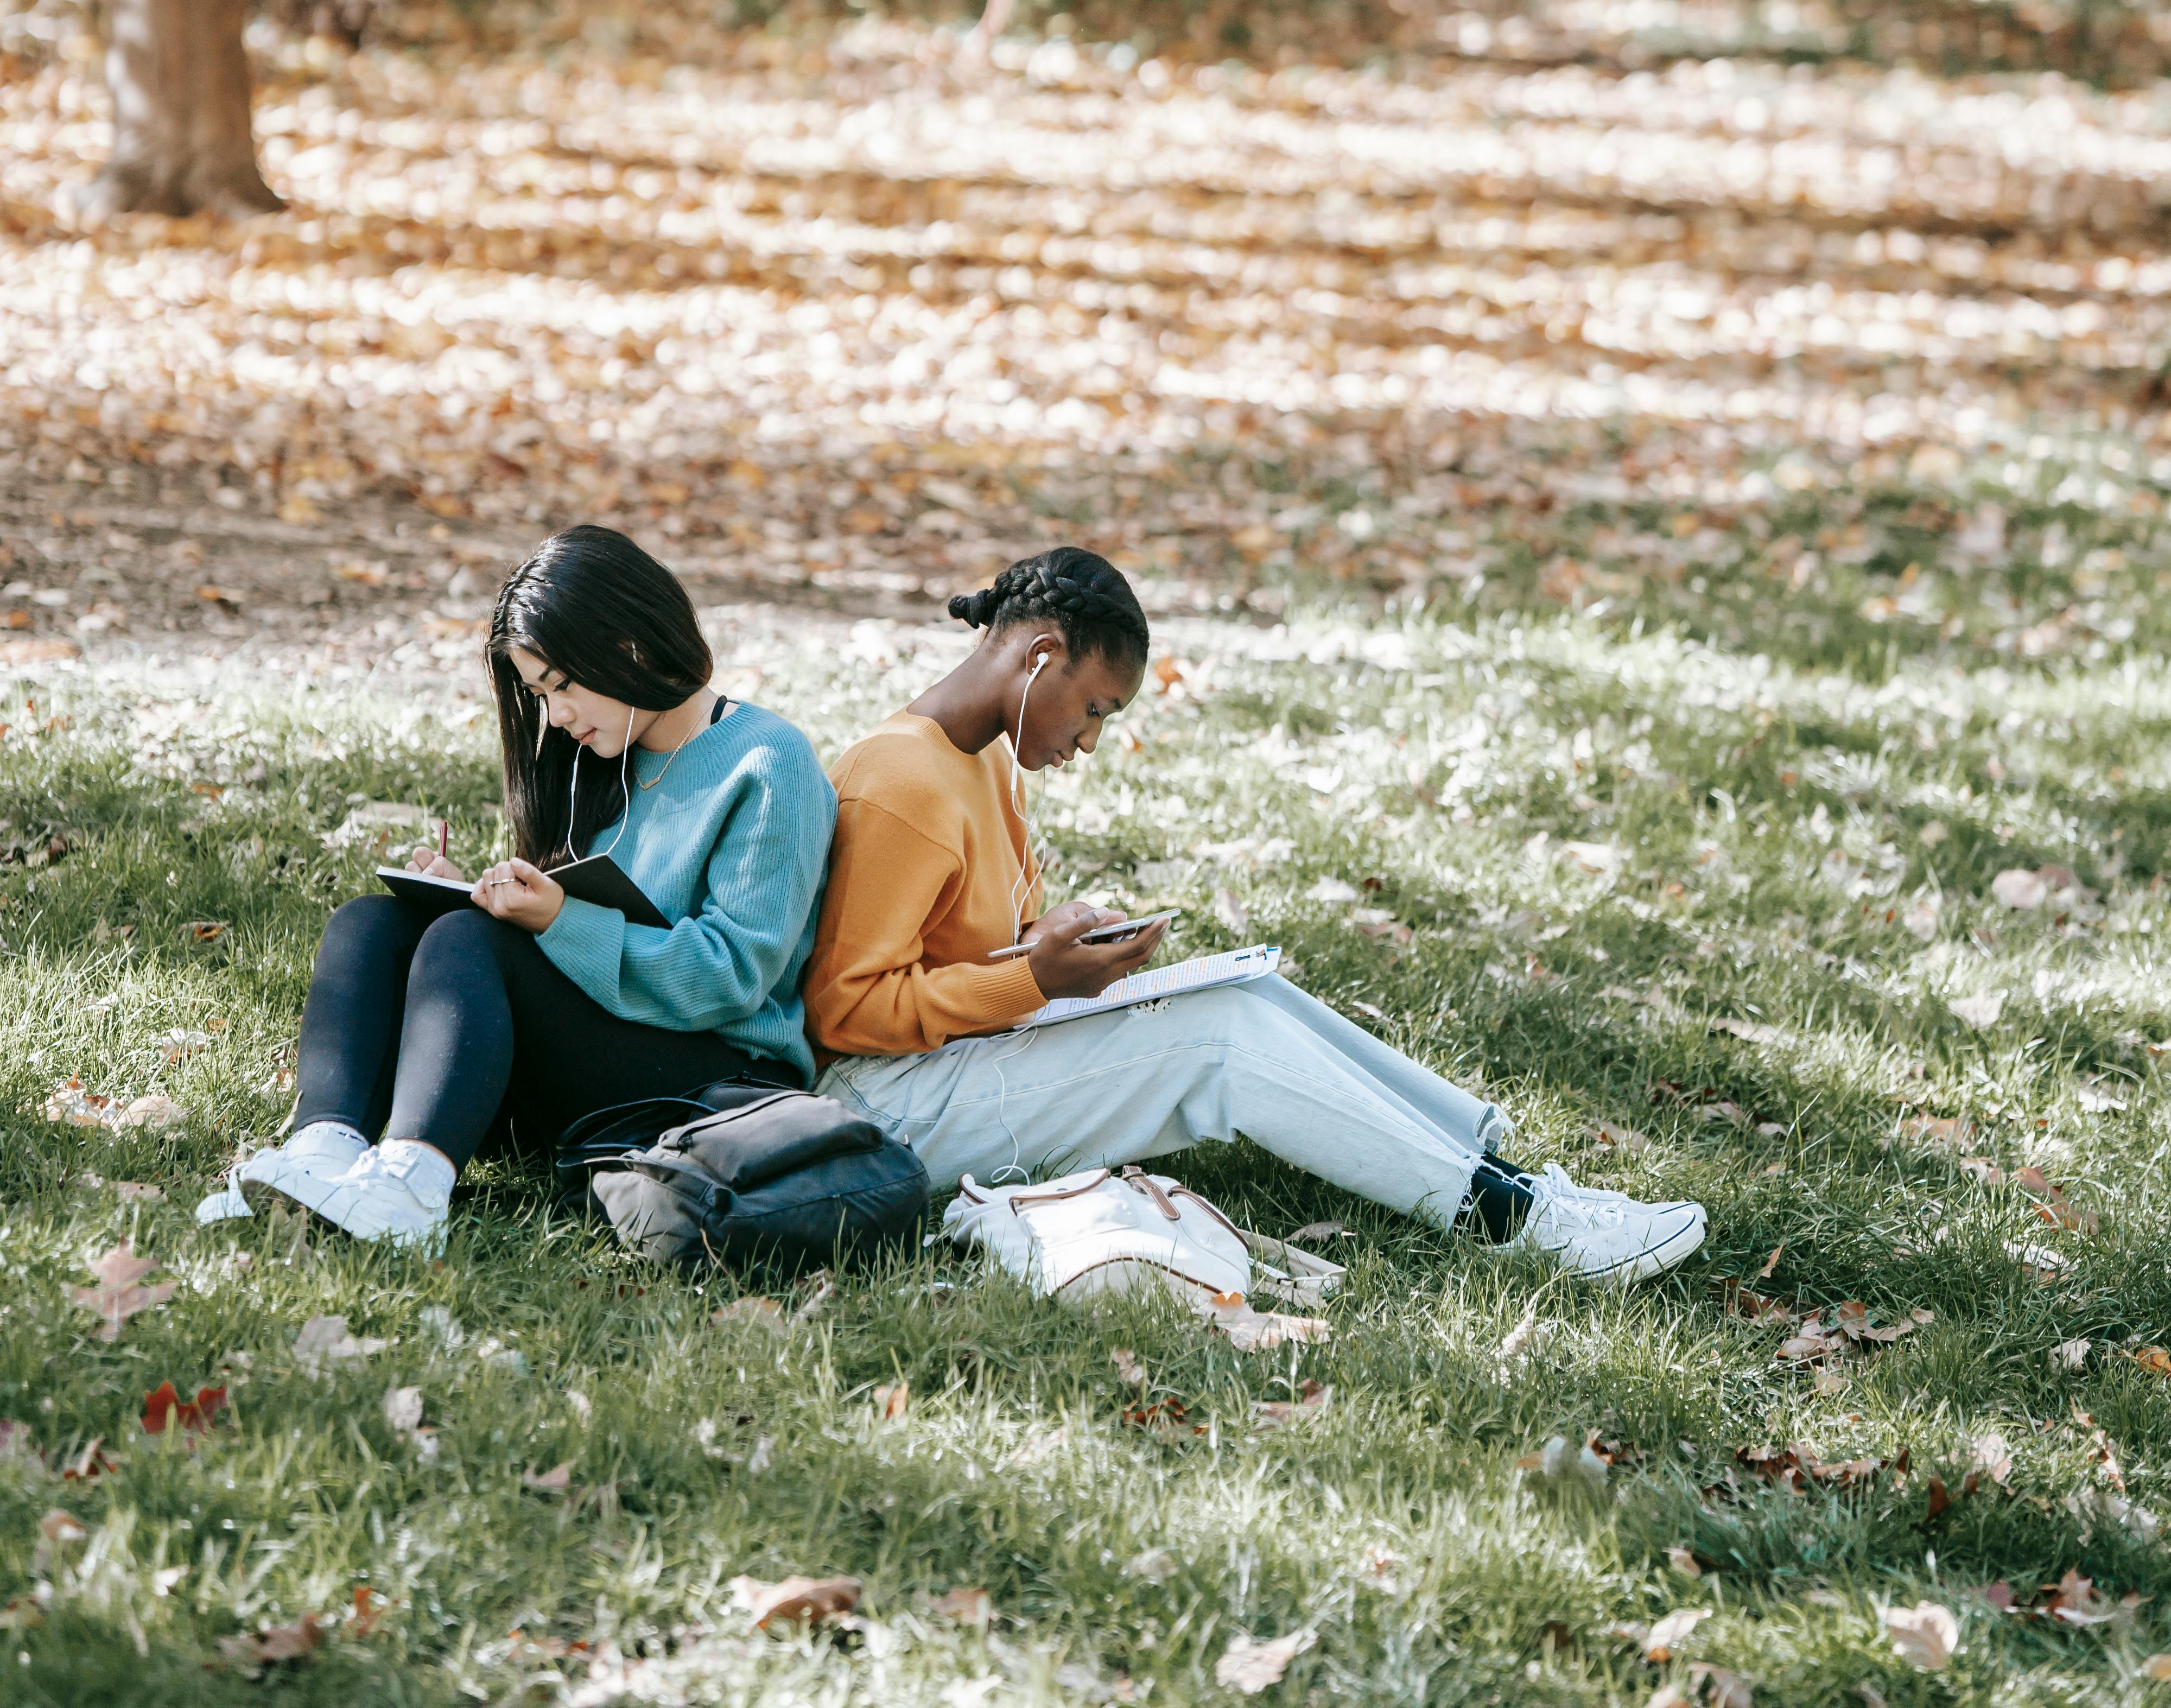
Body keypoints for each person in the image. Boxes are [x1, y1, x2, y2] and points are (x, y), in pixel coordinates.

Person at [806, 547, 1706, 1282]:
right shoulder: (902, 781)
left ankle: (1504, 1173)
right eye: (1094, 709)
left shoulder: (981, 763)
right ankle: (1513, 1222)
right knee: (1220, 1041)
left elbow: (954, 945)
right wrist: (1032, 976)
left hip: (956, 1061)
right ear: (1041, 655)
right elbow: (845, 1015)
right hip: (888, 1111)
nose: (1089, 741)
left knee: (1248, 993)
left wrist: (1045, 948)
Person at [198, 525, 836, 1250]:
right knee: (373, 924)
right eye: (540, 696)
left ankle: (409, 1190)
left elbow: (731, 979)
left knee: (475, 942)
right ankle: (320, 1159)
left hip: (713, 1081)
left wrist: (553, 920)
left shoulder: (765, 760)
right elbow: (569, 935)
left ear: (628, 647)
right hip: (596, 1056)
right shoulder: (597, 759)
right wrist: (480, 894)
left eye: (562, 688)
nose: (557, 718)